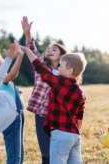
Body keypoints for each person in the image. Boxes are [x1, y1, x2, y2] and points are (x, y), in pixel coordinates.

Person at [14, 40, 86, 164]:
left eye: (61, 67)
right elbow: (80, 117)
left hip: (59, 134)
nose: (58, 68)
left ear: (70, 71)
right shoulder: (81, 93)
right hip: (75, 135)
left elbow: (39, 67)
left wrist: (26, 50)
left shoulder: (58, 83)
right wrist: (75, 132)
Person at [21, 16, 70, 164]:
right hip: (42, 116)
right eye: (48, 49)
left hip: (60, 117)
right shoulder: (41, 68)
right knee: (46, 154)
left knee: (60, 153)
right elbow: (32, 51)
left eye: (53, 49)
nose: (49, 51)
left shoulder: (66, 74)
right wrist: (28, 34)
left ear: (61, 55)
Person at [0, 47, 25, 164]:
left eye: (3, 61)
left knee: (19, 152)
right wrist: (20, 56)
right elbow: (13, 74)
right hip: (11, 119)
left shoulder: (4, 81)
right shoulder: (0, 80)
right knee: (14, 156)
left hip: (18, 116)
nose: (2, 64)